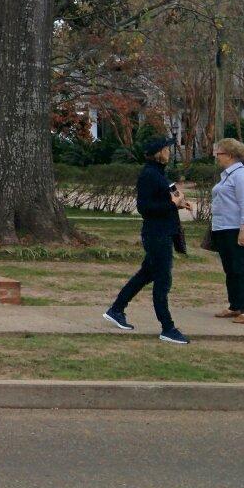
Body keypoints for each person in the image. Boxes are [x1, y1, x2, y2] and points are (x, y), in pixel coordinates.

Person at [104, 136, 191, 344]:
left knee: (146, 274)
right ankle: (167, 328)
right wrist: (173, 206)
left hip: (164, 231)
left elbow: (167, 194)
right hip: (156, 234)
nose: (170, 152)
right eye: (167, 149)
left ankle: (116, 309)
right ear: (159, 152)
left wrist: (179, 202)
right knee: (163, 280)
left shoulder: (159, 173)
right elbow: (145, 207)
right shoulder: (149, 174)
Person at [208, 138, 244, 324]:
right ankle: (235, 305)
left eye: (218, 154)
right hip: (223, 228)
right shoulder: (228, 175)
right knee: (230, 269)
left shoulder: (241, 176)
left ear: (229, 155)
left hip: (237, 229)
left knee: (241, 269)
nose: (217, 157)